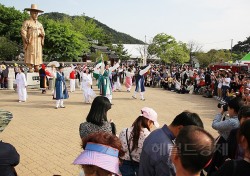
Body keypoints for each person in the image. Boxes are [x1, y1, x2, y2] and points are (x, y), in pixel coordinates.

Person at [138, 111, 204, 176]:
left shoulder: (156, 132)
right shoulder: (168, 151)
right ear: (180, 128)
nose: (189, 141)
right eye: (190, 137)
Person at [119, 107, 159, 176]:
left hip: (123, 167)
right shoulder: (149, 136)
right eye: (153, 123)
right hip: (140, 168)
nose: (152, 126)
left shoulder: (124, 131)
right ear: (149, 121)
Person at [21, 4, 45, 72]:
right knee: (31, 52)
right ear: (31, 13)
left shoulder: (40, 24)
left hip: (38, 41)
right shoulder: (27, 22)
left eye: (37, 13)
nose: (36, 14)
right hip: (31, 41)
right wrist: (25, 38)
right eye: (34, 13)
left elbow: (43, 32)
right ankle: (30, 66)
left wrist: (42, 34)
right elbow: (23, 30)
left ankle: (37, 65)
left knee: (37, 52)